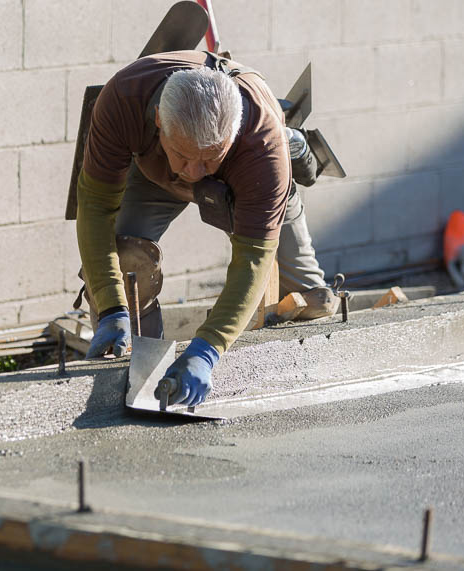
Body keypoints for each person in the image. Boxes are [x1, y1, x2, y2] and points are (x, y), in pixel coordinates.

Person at [75, 51, 336, 409]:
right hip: (157, 172)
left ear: (233, 132)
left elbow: (253, 259)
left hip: (246, 179)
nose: (195, 172)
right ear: (159, 119)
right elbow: (95, 206)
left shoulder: (262, 147)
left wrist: (208, 348)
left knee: (313, 300)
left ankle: (290, 142)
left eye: (209, 157)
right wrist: (110, 306)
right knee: (126, 263)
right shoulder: (124, 99)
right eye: (185, 155)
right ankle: (141, 383)